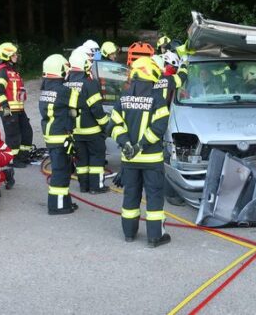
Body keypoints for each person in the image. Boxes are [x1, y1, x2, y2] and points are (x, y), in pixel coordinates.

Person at [110, 56, 171, 247]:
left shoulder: (124, 99)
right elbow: (159, 128)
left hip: (129, 160)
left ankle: (129, 233)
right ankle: (155, 237)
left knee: (131, 195)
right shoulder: (157, 99)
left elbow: (114, 125)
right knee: (153, 197)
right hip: (151, 160)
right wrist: (141, 145)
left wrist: (126, 144)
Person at [65, 47, 110, 194]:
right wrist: (106, 125)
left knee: (81, 160)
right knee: (97, 158)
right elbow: (96, 109)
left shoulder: (65, 84)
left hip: (75, 131)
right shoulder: (89, 84)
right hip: (92, 130)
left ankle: (84, 186)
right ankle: (96, 187)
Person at [39, 54, 79, 214]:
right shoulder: (64, 91)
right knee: (61, 173)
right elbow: (75, 111)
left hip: (51, 135)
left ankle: (65, 202)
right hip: (60, 136)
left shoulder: (46, 88)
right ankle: (57, 206)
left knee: (63, 170)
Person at [0, 42, 33, 168]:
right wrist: (5, 107)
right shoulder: (2, 71)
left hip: (19, 109)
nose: (17, 56)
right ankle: (14, 160)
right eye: (14, 54)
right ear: (7, 56)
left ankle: (23, 157)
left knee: (27, 132)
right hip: (8, 109)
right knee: (13, 136)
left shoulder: (13, 71)